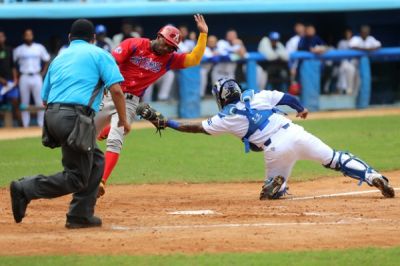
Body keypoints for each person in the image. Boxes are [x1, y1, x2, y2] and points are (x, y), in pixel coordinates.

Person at [141, 78, 395, 200]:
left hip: (274, 149)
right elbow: (287, 98)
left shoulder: (225, 117)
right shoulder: (256, 95)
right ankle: (373, 176)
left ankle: (277, 183)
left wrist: (167, 123)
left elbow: (194, 128)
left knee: (270, 195)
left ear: (221, 97)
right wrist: (301, 108)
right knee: (336, 159)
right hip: (295, 132)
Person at [9, 19, 130, 228]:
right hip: (75, 118)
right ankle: (25, 188)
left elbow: (45, 98)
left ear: (69, 38)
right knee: (76, 178)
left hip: (52, 117)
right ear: (93, 39)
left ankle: (80, 214)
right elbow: (117, 90)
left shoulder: (59, 58)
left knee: (96, 162)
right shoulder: (100, 54)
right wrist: (124, 120)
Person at [95, 14, 209, 197]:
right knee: (85, 136)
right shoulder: (134, 43)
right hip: (110, 93)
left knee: (116, 140)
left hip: (131, 102)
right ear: (159, 37)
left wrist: (203, 35)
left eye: (172, 48)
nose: (168, 50)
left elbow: (194, 59)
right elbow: (110, 63)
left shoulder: (169, 58)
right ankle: (102, 134)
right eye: (167, 44)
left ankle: (101, 181)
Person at [13, 29, 50, 128]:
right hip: (24, 76)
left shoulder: (39, 47)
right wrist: (16, 76)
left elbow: (47, 59)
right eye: (26, 35)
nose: (28, 37)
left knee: (40, 101)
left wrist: (43, 72)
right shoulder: (19, 49)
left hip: (36, 75)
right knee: (25, 101)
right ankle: (25, 125)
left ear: (33, 36)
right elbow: (13, 64)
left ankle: (41, 124)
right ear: (23, 37)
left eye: (30, 35)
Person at [0, 29, 21, 126]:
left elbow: (13, 66)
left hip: (10, 82)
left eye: (1, 36)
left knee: (15, 102)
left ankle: (22, 127)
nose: (0, 38)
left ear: (4, 38)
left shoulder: (9, 50)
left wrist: (15, 79)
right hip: (1, 82)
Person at [337, 29, 358, 95]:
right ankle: (342, 89)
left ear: (351, 33)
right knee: (342, 69)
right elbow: (338, 53)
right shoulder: (341, 42)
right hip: (344, 62)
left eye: (349, 33)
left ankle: (350, 90)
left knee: (352, 70)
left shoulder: (355, 41)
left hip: (353, 63)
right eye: (346, 33)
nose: (348, 35)